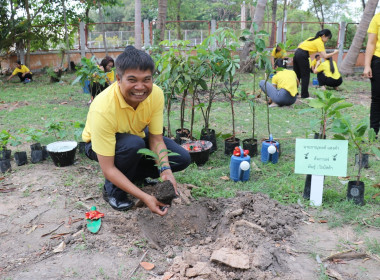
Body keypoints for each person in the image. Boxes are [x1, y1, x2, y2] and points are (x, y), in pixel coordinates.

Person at [82, 46, 191, 215]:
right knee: (133, 145)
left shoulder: (156, 94)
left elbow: (155, 139)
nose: (140, 87)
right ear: (118, 78)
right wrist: (145, 197)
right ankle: (113, 191)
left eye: (146, 80)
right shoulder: (102, 107)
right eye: (132, 80)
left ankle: (132, 176)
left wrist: (165, 170)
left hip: (135, 135)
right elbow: (108, 168)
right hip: (96, 145)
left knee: (181, 158)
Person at [293, 29, 339, 98]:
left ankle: (294, 94)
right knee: (305, 75)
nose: (327, 40)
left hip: (297, 53)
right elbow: (325, 56)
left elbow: (300, 44)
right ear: (323, 36)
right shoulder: (320, 42)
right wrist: (335, 52)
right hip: (303, 55)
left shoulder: (312, 38)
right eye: (327, 38)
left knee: (297, 75)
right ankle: (304, 95)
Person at [364, 12, 380, 136]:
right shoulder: (377, 17)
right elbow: (371, 43)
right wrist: (367, 65)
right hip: (378, 61)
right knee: (377, 98)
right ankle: (373, 134)